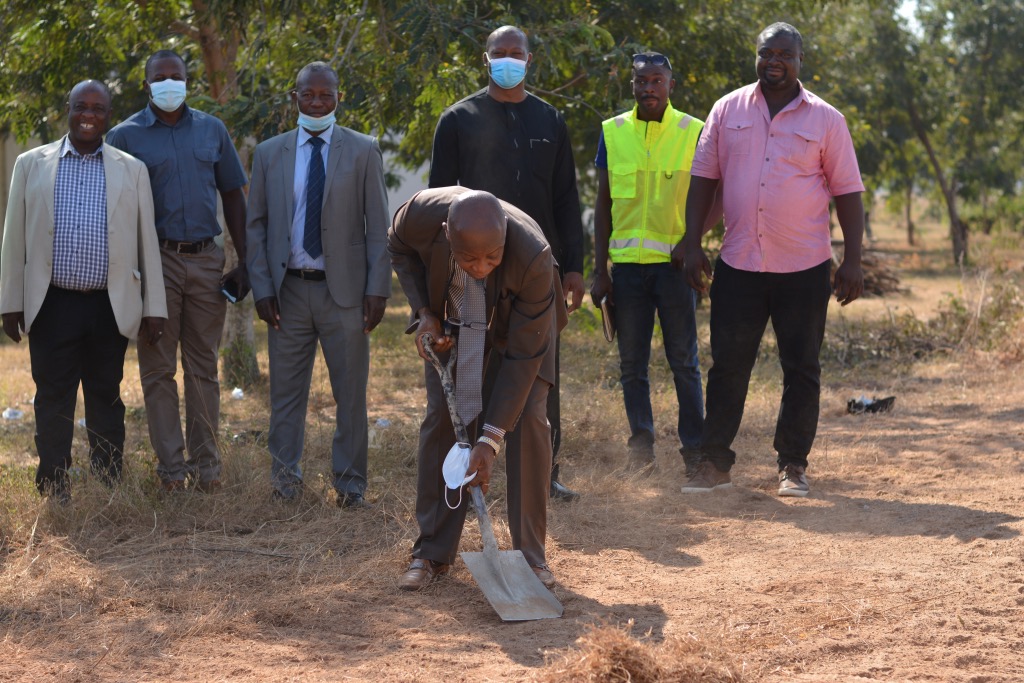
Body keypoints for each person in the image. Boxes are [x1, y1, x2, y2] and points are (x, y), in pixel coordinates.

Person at [680, 22, 865, 497]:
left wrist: (852, 260)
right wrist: (691, 240)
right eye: (766, 53)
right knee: (727, 366)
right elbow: (704, 178)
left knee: (801, 368)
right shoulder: (727, 109)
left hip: (803, 267)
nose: (774, 61)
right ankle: (714, 464)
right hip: (739, 263)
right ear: (757, 57)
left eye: (784, 53)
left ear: (801, 60)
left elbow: (847, 192)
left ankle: (793, 466)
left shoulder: (827, 119)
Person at [428, 25, 585, 503]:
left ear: (530, 61)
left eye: (517, 54)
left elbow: (566, 199)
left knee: (539, 370)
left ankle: (544, 471)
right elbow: (437, 201)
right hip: (477, 268)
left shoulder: (550, 120)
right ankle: (471, 459)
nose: (509, 60)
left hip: (539, 269)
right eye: (501, 53)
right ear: (486, 59)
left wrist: (573, 268)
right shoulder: (458, 119)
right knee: (476, 365)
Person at [388, 187, 566, 591]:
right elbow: (397, 246)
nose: (482, 267)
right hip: (454, 322)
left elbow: (522, 359)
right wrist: (426, 313)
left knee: (528, 419)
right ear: (446, 234)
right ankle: (431, 552)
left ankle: (530, 559)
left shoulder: (532, 256)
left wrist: (491, 437)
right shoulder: (418, 215)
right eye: (469, 258)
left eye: (493, 256)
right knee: (444, 419)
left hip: (523, 326)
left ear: (505, 237)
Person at [0, 80, 167, 503]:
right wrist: (10, 302)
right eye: (81, 107)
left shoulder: (132, 169)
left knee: (106, 395)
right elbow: (13, 238)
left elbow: (146, 240)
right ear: (67, 109)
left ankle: (108, 483)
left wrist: (154, 307)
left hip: (110, 305)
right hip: (52, 302)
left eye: (97, 108)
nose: (88, 115)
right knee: (53, 396)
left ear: (109, 115)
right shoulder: (30, 164)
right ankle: (54, 484)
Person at [246, 62, 390, 507]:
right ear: (295, 98)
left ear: (337, 98)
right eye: (308, 95)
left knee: (350, 395)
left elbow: (377, 226)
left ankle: (350, 486)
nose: (316, 103)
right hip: (288, 292)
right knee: (285, 396)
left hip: (344, 293)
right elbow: (256, 226)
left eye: (325, 96)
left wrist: (378, 288)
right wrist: (263, 287)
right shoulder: (269, 153)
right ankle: (285, 483)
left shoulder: (364, 150)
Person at [106, 50, 248, 492]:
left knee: (204, 367)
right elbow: (113, 211)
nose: (170, 83)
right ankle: (171, 471)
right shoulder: (124, 136)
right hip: (155, 261)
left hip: (207, 260)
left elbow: (234, 196)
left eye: (177, 77)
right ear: (146, 84)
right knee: (158, 368)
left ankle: (208, 468)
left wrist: (246, 262)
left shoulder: (212, 129)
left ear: (188, 82)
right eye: (160, 77)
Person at [590, 52, 713, 476]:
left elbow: (718, 197)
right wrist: (598, 269)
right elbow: (602, 205)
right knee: (631, 366)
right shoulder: (613, 131)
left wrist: (691, 242)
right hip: (625, 271)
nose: (648, 89)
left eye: (657, 81)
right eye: (641, 81)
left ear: (671, 85)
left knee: (684, 362)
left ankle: (695, 452)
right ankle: (641, 451)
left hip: (675, 270)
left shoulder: (694, 131)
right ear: (632, 86)